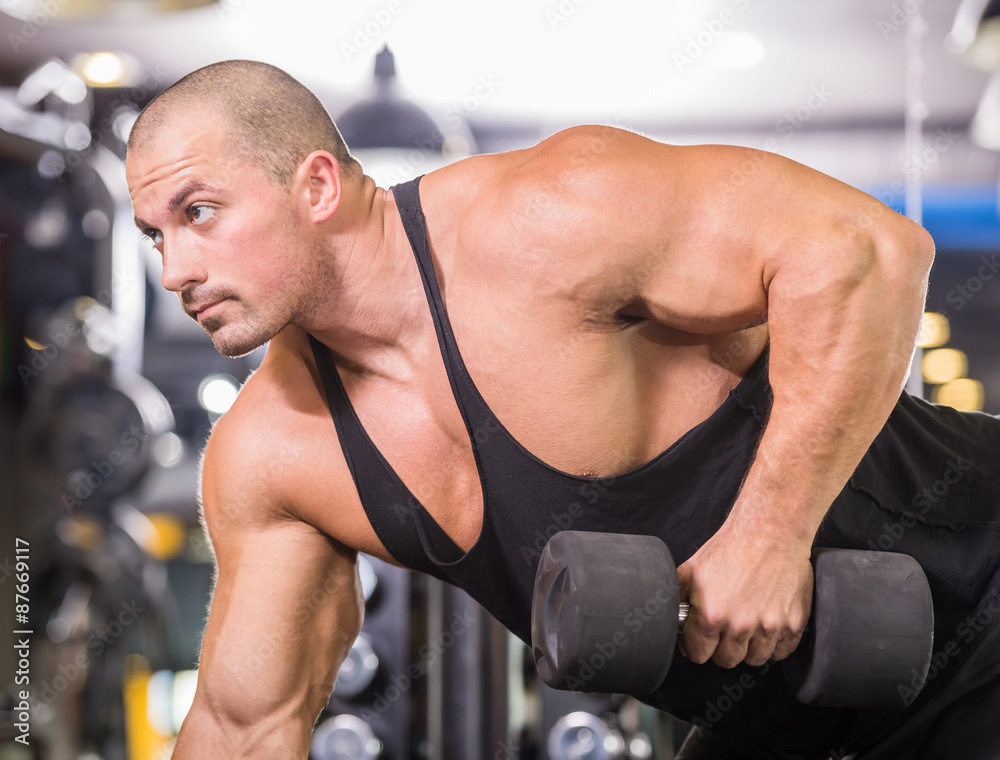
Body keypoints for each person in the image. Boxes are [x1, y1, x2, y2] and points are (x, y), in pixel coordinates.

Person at [125, 60, 1000, 759]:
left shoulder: (546, 219)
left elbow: (870, 253)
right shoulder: (272, 456)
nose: (175, 270)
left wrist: (769, 536)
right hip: (806, 715)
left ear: (316, 187)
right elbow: (243, 729)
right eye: (156, 234)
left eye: (198, 213)